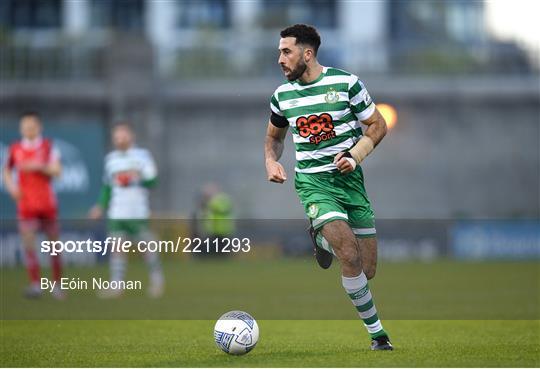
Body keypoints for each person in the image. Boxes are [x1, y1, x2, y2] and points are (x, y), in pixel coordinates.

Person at [264, 24, 392, 350]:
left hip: (350, 181)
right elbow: (273, 139)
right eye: (280, 51)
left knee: (367, 268)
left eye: (286, 51)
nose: (280, 58)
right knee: (348, 254)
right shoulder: (282, 96)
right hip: (313, 182)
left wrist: (355, 154)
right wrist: (270, 160)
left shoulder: (346, 84)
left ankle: (320, 238)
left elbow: (378, 124)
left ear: (307, 54)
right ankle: (378, 336)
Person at [89, 123, 164, 298]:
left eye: (123, 135)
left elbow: (153, 181)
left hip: (137, 210)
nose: (120, 139)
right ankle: (117, 285)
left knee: (146, 246)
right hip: (117, 211)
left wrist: (134, 178)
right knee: (117, 247)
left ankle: (157, 280)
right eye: (116, 136)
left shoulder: (142, 156)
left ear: (131, 136)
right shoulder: (111, 159)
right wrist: (100, 205)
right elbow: (107, 186)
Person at [3, 111, 64, 299]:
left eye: (32, 125)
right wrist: (12, 188)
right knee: (29, 244)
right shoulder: (15, 149)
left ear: (39, 127)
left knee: (53, 244)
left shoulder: (48, 147)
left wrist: (39, 166)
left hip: (47, 202)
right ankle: (35, 284)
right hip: (26, 204)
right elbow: (6, 170)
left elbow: (57, 171)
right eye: (25, 125)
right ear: (21, 128)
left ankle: (57, 285)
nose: (29, 128)